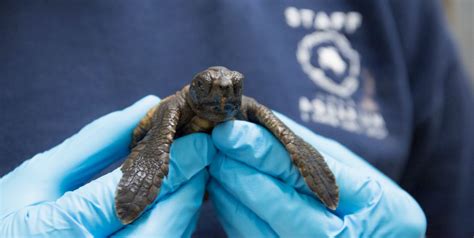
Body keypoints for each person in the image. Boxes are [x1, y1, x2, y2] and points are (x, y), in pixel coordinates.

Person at [0, 1, 472, 237]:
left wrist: (318, 180)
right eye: (212, 89)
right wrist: (142, 175)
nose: (223, 96)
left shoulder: (397, 12)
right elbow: (155, 138)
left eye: (232, 91)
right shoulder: (175, 110)